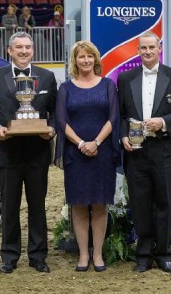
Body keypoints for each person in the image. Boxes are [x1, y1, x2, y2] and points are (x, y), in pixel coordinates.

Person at [0, 31, 57, 274]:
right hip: (7, 152)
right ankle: (9, 257)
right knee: (10, 207)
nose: (24, 51)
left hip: (38, 152)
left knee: (37, 206)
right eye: (19, 47)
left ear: (33, 51)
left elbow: (55, 112)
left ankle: (38, 256)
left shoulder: (46, 77)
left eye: (28, 47)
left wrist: (52, 129)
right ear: (9, 51)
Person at [117, 31, 171, 274]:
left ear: (159, 48)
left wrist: (163, 122)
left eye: (151, 47)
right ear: (137, 50)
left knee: (164, 202)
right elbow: (119, 115)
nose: (147, 52)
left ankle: (164, 254)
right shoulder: (125, 78)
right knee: (139, 204)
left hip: (164, 149)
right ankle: (143, 254)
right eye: (143, 48)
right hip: (136, 152)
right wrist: (122, 136)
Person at [54, 41, 120, 272]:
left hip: (102, 154)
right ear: (75, 60)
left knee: (101, 204)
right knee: (79, 205)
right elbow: (61, 121)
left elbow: (114, 118)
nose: (85, 60)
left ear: (95, 59)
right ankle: (83, 255)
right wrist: (82, 143)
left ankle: (98, 255)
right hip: (76, 154)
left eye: (89, 56)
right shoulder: (65, 89)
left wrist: (97, 142)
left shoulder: (108, 85)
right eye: (81, 57)